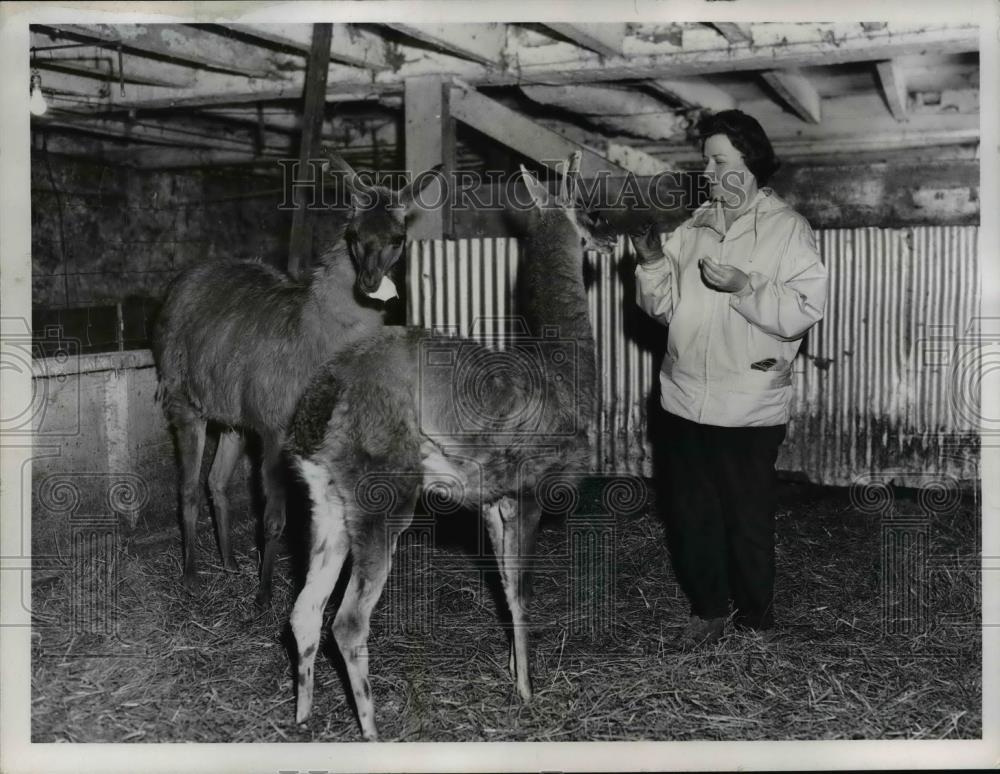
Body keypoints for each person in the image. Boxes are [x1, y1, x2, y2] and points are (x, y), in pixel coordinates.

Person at [631, 110, 829, 649]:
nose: (710, 172)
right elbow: (663, 307)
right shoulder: (692, 229)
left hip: (748, 404)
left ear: (751, 161)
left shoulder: (788, 229)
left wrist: (747, 285)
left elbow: (804, 309)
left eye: (720, 161)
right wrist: (650, 261)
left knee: (746, 518)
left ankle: (757, 623)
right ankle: (708, 612)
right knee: (691, 515)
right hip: (683, 397)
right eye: (706, 163)